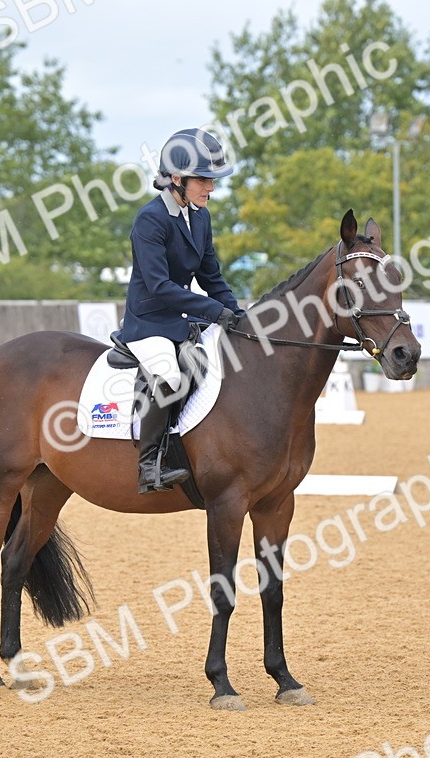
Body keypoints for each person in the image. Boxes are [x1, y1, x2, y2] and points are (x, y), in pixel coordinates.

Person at [120, 128, 244, 493]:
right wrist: (212, 311)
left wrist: (235, 313)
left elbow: (211, 276)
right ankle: (149, 466)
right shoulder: (150, 220)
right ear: (176, 178)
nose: (211, 188)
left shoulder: (200, 217)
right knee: (171, 376)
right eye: (203, 180)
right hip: (148, 321)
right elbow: (159, 286)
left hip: (182, 318)